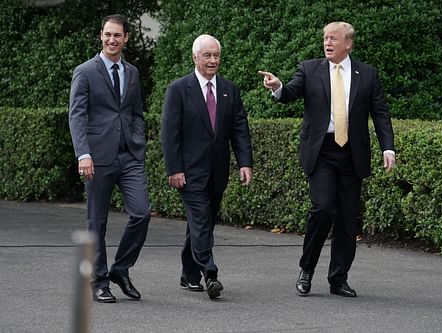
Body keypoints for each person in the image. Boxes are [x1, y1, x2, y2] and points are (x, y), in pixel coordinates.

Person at [258, 21, 395, 298]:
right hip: (322, 152)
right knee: (323, 208)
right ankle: (306, 269)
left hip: (352, 154)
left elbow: (380, 113)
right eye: (325, 38)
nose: (327, 43)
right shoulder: (310, 69)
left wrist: (387, 148)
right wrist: (278, 87)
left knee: (346, 219)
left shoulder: (367, 74)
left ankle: (338, 279)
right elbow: (291, 93)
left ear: (348, 44)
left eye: (333, 39)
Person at [161, 34, 253, 299]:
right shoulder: (178, 89)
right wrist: (173, 169)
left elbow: (239, 129)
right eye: (207, 55)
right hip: (189, 173)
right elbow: (170, 134)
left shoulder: (229, 89)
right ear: (195, 57)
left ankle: (188, 274)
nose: (212, 60)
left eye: (216, 56)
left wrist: (244, 162)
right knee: (201, 221)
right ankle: (210, 274)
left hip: (217, 172)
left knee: (202, 224)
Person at [69, 14, 150, 303]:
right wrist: (83, 153)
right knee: (97, 222)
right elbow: (76, 115)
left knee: (141, 213)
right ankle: (99, 280)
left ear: (126, 37)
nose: (112, 40)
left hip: (129, 156)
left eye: (117, 35)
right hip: (96, 157)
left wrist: (138, 140)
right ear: (101, 36)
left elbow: (135, 113)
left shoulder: (132, 72)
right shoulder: (85, 71)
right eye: (107, 35)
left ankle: (120, 269)